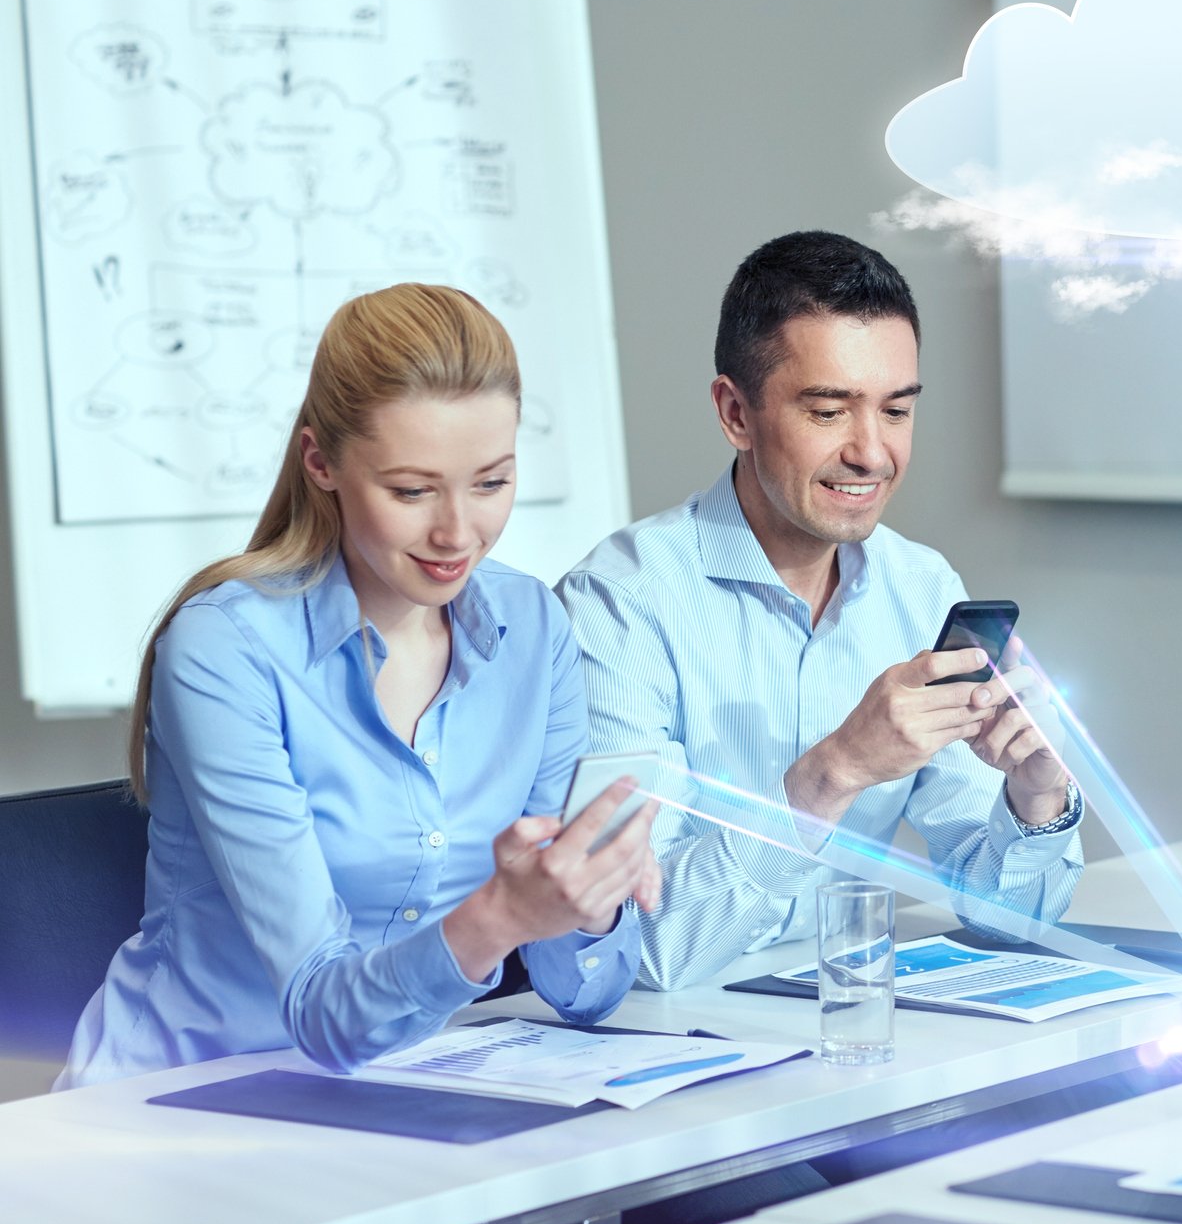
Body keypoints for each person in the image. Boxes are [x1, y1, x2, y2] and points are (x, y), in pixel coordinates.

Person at [60, 285, 658, 1089]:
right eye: (412, 491)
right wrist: (501, 917)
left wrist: (593, 897)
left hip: (409, 1092)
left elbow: (581, 992)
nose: (457, 532)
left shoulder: (532, 628)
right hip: (185, 1103)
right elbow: (321, 1014)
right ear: (321, 463)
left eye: (490, 483)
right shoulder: (225, 647)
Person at [559, 231, 1082, 992]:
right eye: (830, 411)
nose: (872, 453)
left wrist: (1035, 796)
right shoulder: (618, 607)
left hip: (851, 1021)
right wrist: (831, 776)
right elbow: (638, 949)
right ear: (735, 413)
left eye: (896, 411)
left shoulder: (921, 586)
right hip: (677, 1045)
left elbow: (1009, 920)